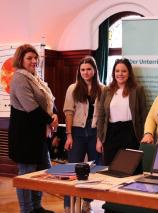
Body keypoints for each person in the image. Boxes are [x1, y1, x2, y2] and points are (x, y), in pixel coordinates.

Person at [8, 44, 58, 213]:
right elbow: (31, 108)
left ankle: (37, 207)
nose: (34, 61)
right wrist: (51, 119)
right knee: (26, 174)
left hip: (39, 135)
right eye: (29, 58)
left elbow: (49, 99)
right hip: (25, 137)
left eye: (35, 57)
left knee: (42, 172)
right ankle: (27, 210)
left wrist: (55, 113)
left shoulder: (35, 77)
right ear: (20, 60)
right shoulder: (19, 78)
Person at [63, 56, 103, 213]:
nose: (86, 72)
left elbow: (103, 115)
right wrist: (69, 135)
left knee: (92, 170)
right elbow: (68, 112)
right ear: (79, 72)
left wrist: (100, 138)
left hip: (94, 134)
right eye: (83, 70)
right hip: (77, 133)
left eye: (89, 69)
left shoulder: (102, 89)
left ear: (94, 70)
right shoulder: (72, 88)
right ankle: (68, 205)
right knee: (71, 171)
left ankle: (87, 202)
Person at [96, 58, 147, 166]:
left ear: (129, 73)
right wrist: (99, 139)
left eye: (124, 71)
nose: (120, 74)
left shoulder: (137, 89)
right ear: (113, 73)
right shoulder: (107, 90)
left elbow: (143, 115)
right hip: (111, 133)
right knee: (111, 168)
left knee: (130, 168)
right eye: (117, 71)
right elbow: (101, 116)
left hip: (130, 133)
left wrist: (143, 136)